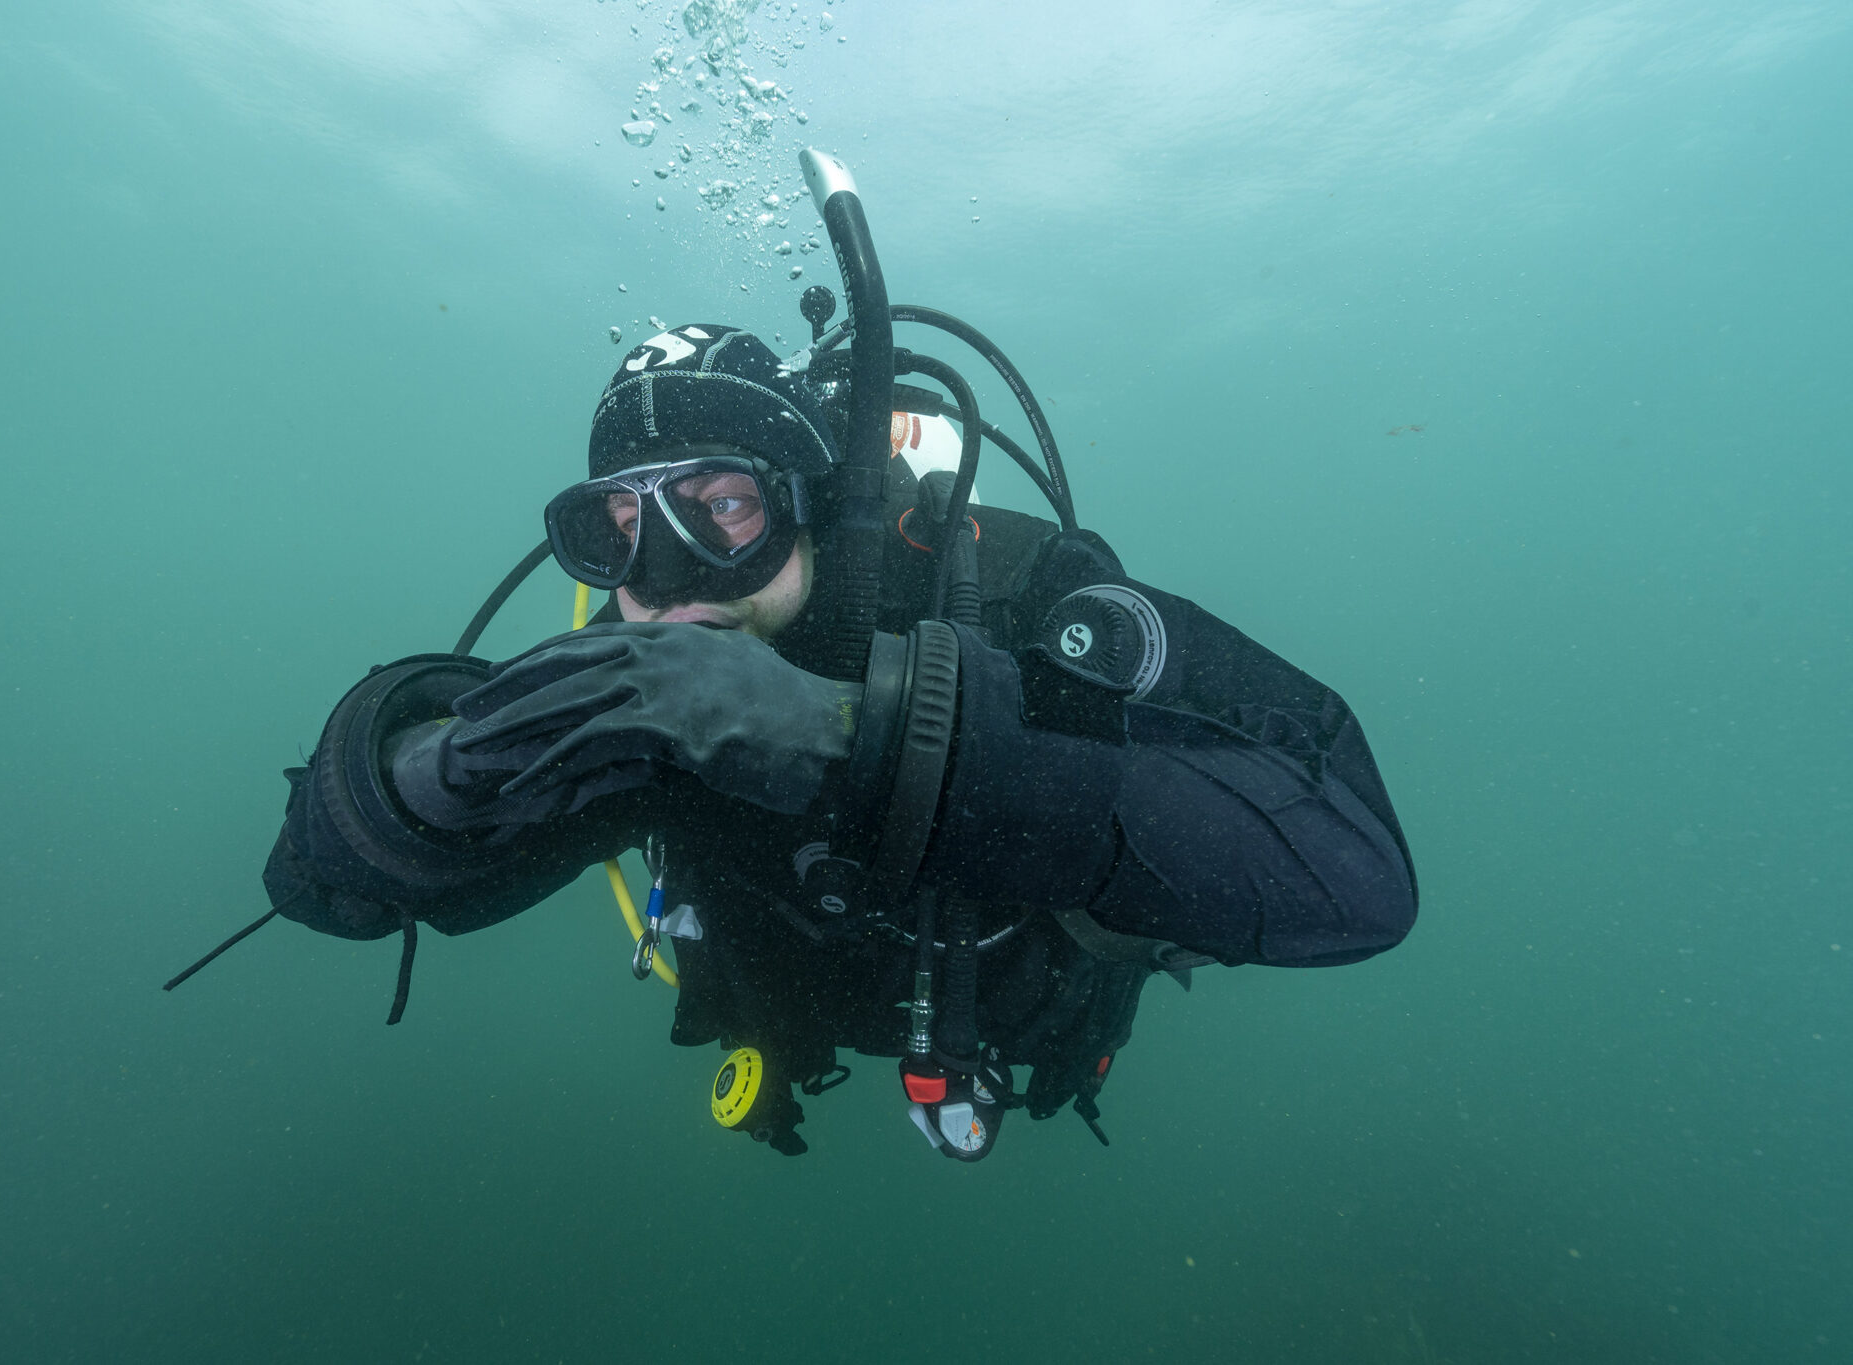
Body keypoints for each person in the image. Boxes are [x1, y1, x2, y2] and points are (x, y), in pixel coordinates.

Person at [240, 318, 1417, 1161]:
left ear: (818, 500)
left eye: (724, 509)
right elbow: (319, 886)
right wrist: (429, 777)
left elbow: (1356, 880)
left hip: (1011, 1019)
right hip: (783, 1028)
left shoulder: (1016, 592)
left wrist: (849, 736)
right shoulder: (628, 691)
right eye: (614, 527)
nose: (657, 582)